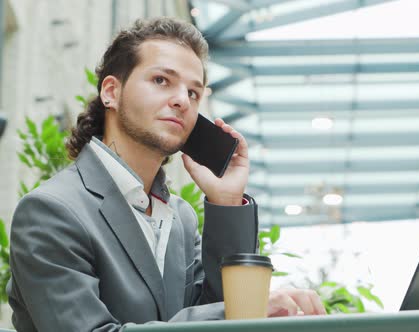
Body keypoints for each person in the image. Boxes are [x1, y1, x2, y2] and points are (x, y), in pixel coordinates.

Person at [6, 17, 325, 332]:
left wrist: (226, 202)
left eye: (194, 93)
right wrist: (236, 314)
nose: (181, 100)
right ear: (111, 92)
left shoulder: (180, 219)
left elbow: (219, 312)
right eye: (161, 80)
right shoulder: (52, 211)